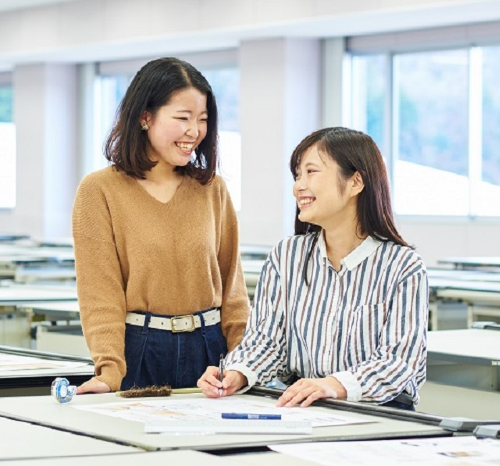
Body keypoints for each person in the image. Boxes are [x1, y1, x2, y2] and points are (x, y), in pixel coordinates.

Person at [197, 126, 428, 411]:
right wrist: (236, 373)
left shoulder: (403, 267)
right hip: (307, 408)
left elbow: (399, 361)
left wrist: (333, 384)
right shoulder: (287, 256)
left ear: (356, 182)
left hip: (380, 412)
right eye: (297, 175)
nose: (298, 186)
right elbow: (267, 341)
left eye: (311, 172)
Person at [72, 57, 250, 394]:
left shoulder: (212, 188)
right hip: (139, 349)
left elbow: (233, 290)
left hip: (211, 351)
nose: (194, 131)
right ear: (145, 117)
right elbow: (100, 294)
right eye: (182, 118)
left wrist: (243, 361)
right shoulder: (99, 190)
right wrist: (109, 370)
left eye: (202, 120)